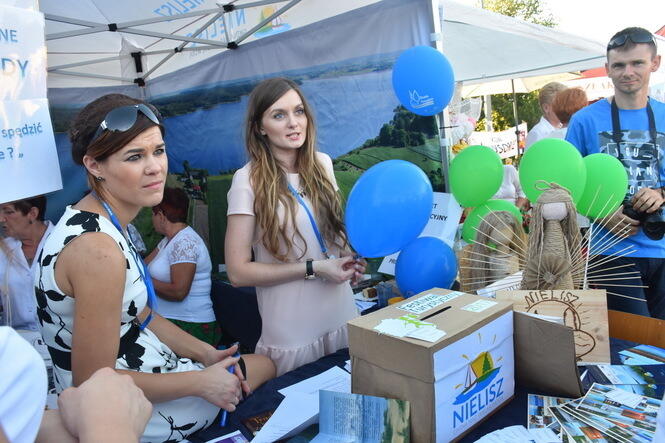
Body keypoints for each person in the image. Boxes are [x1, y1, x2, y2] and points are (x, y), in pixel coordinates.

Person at [35, 93, 274, 442]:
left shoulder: (95, 221)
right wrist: (200, 382)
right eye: (135, 156)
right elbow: (92, 384)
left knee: (257, 366)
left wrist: (205, 353)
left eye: (158, 151)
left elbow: (139, 313)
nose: (155, 167)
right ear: (94, 166)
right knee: (265, 366)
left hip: (148, 370)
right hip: (130, 409)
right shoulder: (97, 250)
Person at [225, 78, 366, 376]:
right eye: (279, 115)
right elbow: (237, 273)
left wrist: (349, 259)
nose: (293, 123)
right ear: (260, 127)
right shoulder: (247, 180)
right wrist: (315, 268)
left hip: (342, 316)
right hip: (293, 333)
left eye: (298, 111)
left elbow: (333, 234)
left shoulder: (322, 164)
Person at [566, 27, 664, 318]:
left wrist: (660, 194)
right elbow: (564, 187)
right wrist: (601, 215)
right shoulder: (584, 120)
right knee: (633, 340)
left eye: (637, 63)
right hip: (610, 252)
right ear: (607, 68)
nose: (627, 72)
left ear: (655, 63)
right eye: (619, 65)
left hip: (660, 245)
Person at [146, 187, 220, 346]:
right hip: (171, 321)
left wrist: (145, 281)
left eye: (153, 214)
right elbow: (142, 266)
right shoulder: (168, 241)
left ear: (161, 216)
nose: (152, 219)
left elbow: (178, 292)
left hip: (188, 325)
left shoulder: (185, 242)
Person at [0, 196, 53, 331]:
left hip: (60, 338)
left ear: (32, 213)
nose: (1, 219)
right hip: (16, 339)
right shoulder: (2, 251)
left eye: (8, 212)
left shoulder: (64, 244)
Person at [525, 82, 568, 150]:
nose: (565, 108)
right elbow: (531, 156)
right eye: (560, 104)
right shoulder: (537, 133)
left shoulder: (564, 127)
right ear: (546, 108)